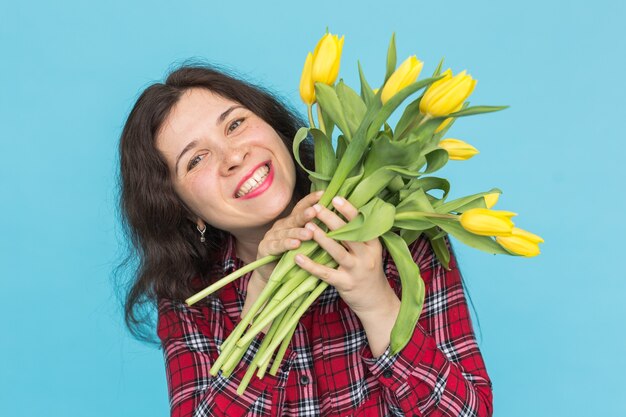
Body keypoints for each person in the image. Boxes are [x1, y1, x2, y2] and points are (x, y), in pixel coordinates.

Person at [118, 64, 493, 416]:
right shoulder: (188, 295)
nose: (232, 156)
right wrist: (262, 297)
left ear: (275, 128)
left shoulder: (403, 241)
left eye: (234, 124)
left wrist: (377, 304)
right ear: (184, 209)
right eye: (196, 159)